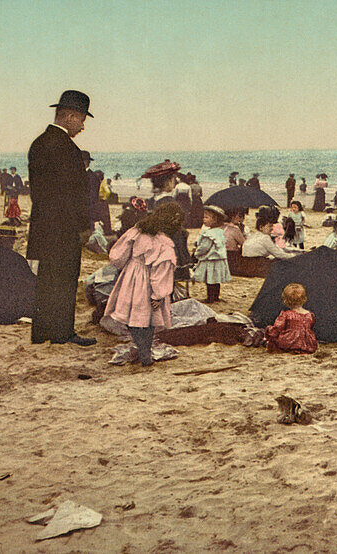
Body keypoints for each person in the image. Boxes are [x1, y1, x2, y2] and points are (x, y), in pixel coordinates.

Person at [27, 90, 96, 346]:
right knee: (65, 280)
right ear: (69, 116)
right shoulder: (64, 147)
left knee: (47, 280)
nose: (82, 126)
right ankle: (62, 333)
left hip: (44, 224)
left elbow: (41, 192)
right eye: (82, 120)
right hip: (63, 226)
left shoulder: (40, 142)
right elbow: (73, 194)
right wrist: (82, 226)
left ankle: (43, 331)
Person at [104, 203, 182, 366]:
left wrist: (128, 266)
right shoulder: (165, 243)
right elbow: (161, 271)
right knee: (149, 319)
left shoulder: (136, 231)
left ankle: (141, 347)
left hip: (130, 278)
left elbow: (118, 256)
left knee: (131, 315)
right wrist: (158, 294)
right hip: (148, 282)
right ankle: (145, 350)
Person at [192, 205, 231, 304]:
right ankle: (216, 296)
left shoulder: (209, 234)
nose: (203, 219)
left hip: (210, 259)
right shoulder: (220, 232)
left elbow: (204, 247)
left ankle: (210, 298)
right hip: (219, 259)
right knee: (216, 279)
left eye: (206, 217)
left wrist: (197, 253)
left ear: (214, 220)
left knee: (210, 280)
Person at [265, 283, 318, 354]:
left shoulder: (286, 314)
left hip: (290, 342)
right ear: (304, 299)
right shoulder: (310, 315)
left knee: (273, 338)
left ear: (285, 300)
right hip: (308, 344)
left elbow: (277, 328)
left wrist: (269, 332)